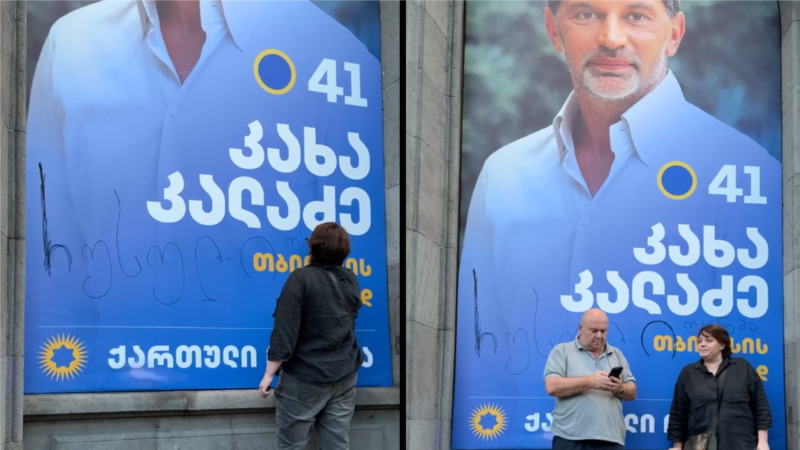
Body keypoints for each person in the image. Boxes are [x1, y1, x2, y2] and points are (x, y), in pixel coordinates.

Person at [258, 222, 364, 450]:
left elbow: (285, 329)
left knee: (291, 446)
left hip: (304, 379)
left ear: (313, 247)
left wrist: (269, 374)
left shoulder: (300, 278)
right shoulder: (350, 279)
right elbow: (350, 320)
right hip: (345, 375)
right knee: (337, 445)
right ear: (344, 251)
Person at [667, 324, 771, 450]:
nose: (702, 344)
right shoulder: (688, 373)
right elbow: (678, 413)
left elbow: (761, 406)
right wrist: (677, 446)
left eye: (709, 340)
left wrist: (763, 441)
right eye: (700, 341)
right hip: (700, 446)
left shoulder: (743, 368)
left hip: (741, 444)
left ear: (722, 345)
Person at [543, 309, 637, 450]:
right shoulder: (562, 351)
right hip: (571, 439)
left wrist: (619, 388)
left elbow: (632, 392)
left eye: (603, 331)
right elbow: (552, 386)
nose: (599, 335)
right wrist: (589, 382)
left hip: (611, 440)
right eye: (594, 330)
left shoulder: (616, 354)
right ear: (580, 328)